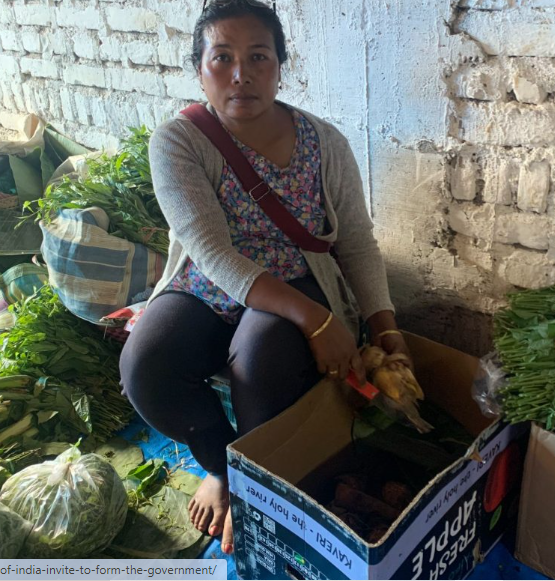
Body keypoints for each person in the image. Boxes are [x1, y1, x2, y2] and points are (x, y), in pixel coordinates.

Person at [119, 0, 413, 556]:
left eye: (258, 57)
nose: (241, 74)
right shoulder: (178, 142)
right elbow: (210, 252)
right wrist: (318, 322)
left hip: (301, 280)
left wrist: (386, 327)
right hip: (212, 284)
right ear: (199, 68)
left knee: (260, 362)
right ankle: (227, 470)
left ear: (281, 64)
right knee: (146, 364)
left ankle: (262, 495)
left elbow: (355, 242)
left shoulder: (325, 144)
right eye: (222, 57)